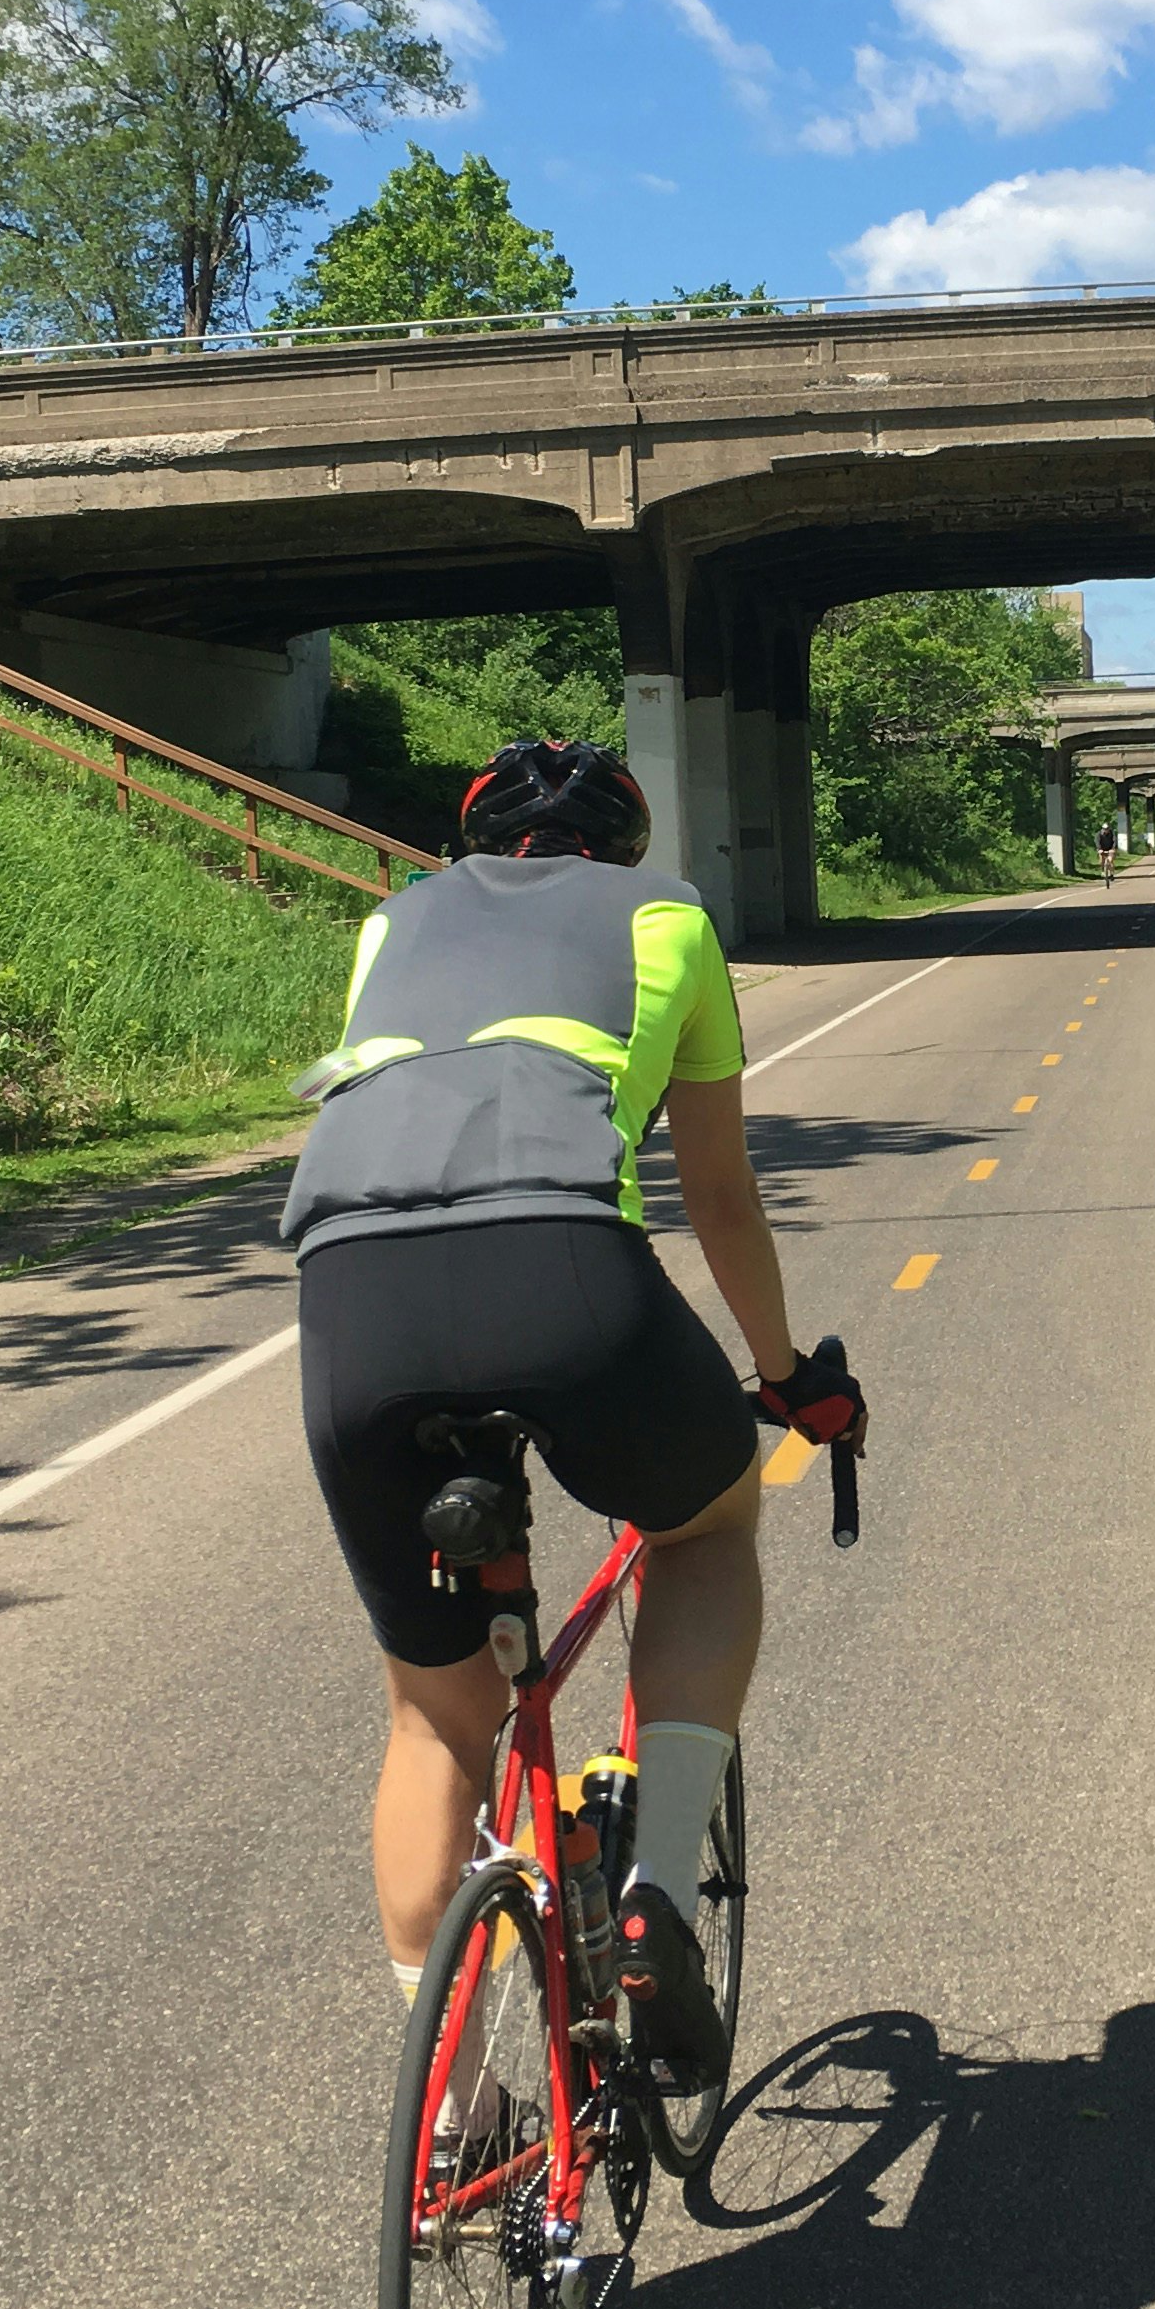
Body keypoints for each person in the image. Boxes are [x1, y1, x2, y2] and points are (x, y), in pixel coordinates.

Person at [281, 737, 863, 2084]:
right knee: (707, 1527)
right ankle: (658, 1892)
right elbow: (716, 1193)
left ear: (474, 842)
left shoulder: (394, 921)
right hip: (557, 1265)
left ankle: (456, 2113)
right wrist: (782, 1375)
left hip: (351, 1292)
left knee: (435, 1717)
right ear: (624, 842)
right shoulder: (667, 917)